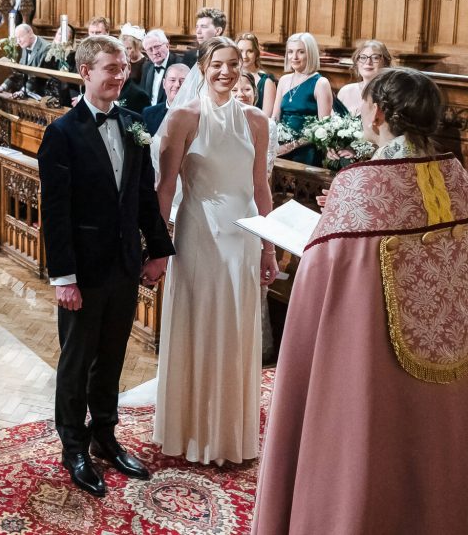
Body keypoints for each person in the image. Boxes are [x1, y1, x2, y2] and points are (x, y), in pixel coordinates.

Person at [253, 67, 468, 533]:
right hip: (450, 361)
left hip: (369, 357)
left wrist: (328, 224)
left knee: (370, 447)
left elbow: (328, 269)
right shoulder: (453, 176)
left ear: (379, 113)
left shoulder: (364, 184)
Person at [37, 35, 173, 497]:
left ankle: (104, 435)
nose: (120, 75)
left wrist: (158, 251)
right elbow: (54, 214)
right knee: (77, 361)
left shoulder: (134, 125)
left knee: (112, 356)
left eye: (123, 68)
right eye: (110, 68)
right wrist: (64, 278)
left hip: (123, 265)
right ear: (85, 73)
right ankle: (73, 445)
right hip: (83, 269)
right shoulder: (62, 133)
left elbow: (142, 196)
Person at [153, 36, 277, 466]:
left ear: (243, 68)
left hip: (243, 236)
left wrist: (268, 249)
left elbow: (261, 187)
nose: (226, 72)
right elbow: (165, 188)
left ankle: (228, 434)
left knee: (236, 329)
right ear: (203, 67)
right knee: (200, 321)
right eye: (217, 64)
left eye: (234, 64)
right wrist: (156, 245)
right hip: (199, 232)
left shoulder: (257, 120)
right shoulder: (183, 116)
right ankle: (190, 429)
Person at [232, 69, 278, 360]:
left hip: (250, 203)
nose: (241, 94)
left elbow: (264, 178)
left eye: (246, 89)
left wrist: (268, 245)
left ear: (255, 93)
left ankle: (251, 350)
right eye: (235, 89)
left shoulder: (264, 125)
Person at [271, 32, 334, 166]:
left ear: (310, 54)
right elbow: (275, 118)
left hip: (306, 152)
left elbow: (324, 127)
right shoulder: (283, 80)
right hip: (280, 149)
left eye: (301, 52)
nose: (294, 57)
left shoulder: (321, 83)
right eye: (290, 52)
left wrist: (291, 146)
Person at [336, 39, 392, 116]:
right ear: (357, 62)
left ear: (385, 63)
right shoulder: (345, 91)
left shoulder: (391, 94)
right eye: (363, 57)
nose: (368, 62)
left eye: (375, 58)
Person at [141, 62, 187, 135]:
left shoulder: (199, 116)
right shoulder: (148, 113)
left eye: (182, 81)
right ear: (164, 83)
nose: (177, 85)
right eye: (172, 80)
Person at [237, 32, 276, 115]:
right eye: (240, 51)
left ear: (256, 53)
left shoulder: (266, 81)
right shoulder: (231, 77)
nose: (244, 56)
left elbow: (267, 118)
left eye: (250, 51)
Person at [140, 29, 183, 104]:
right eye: (150, 49)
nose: (154, 52)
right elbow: (143, 95)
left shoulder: (179, 64)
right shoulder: (146, 66)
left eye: (157, 47)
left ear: (167, 45)